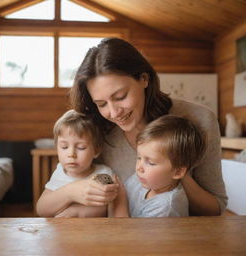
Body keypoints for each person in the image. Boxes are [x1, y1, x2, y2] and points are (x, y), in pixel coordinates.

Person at [37, 37, 227, 217]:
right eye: (101, 103)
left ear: (144, 79)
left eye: (120, 97)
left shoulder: (199, 119)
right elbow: (95, 198)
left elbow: (215, 207)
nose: (114, 112)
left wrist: (175, 169)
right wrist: (75, 201)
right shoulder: (94, 127)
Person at [112, 115, 206, 217]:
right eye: (139, 158)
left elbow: (127, 231)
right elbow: (122, 190)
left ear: (177, 172)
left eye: (151, 163)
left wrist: (119, 201)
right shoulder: (143, 178)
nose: (139, 167)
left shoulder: (165, 208)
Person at [36, 110, 117, 217]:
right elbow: (42, 209)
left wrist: (75, 212)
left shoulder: (103, 173)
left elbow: (108, 207)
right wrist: (69, 194)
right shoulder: (60, 172)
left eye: (81, 147)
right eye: (64, 147)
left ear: (96, 151)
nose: (71, 154)